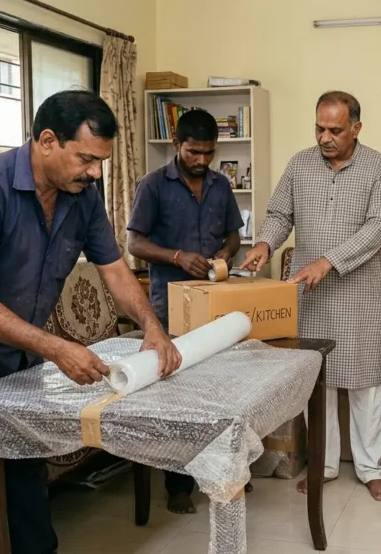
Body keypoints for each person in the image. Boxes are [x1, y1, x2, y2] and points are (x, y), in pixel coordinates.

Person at [0, 90, 181, 554]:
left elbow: (115, 270)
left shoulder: (82, 195)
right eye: (86, 159)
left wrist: (153, 327)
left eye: (101, 162)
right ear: (48, 141)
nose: (95, 173)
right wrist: (57, 348)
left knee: (26, 471)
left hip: (18, 353)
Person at [240, 90, 381, 501]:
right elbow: (280, 214)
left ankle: (370, 469)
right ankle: (324, 466)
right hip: (311, 296)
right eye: (319, 128)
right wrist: (265, 244)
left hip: (358, 293)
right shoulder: (300, 164)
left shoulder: (379, 167)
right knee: (318, 381)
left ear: (356, 128)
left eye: (335, 130)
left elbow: (376, 229)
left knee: (364, 383)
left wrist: (327, 262)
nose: (325, 137)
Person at [127, 108, 244, 514]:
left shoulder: (220, 185)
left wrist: (225, 253)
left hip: (214, 300)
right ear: (176, 144)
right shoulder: (153, 185)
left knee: (219, 389)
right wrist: (177, 256)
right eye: (194, 152)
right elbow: (134, 244)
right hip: (169, 305)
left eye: (209, 153)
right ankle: (178, 486)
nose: (201, 160)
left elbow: (234, 234)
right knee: (176, 396)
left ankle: (222, 469)